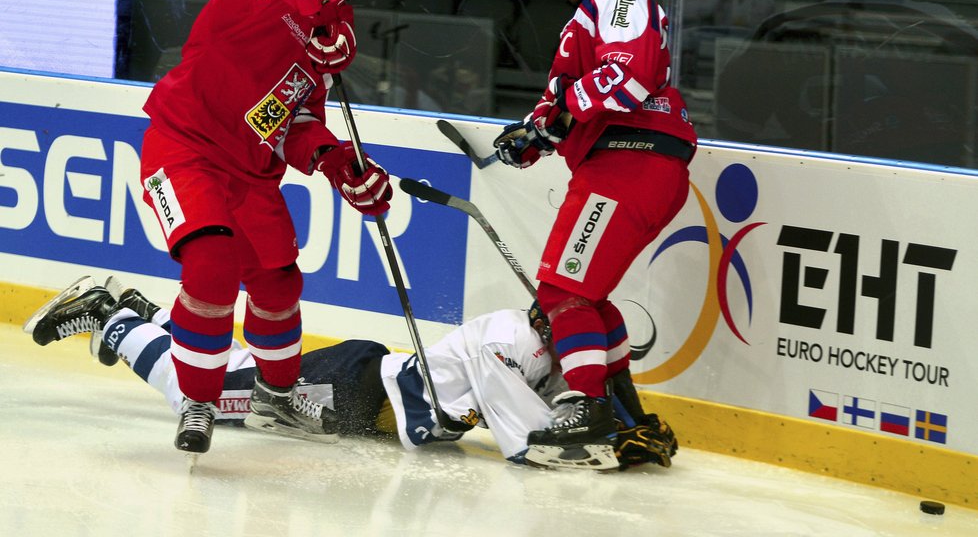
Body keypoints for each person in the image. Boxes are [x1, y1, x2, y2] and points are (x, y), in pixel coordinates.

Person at [138, 0, 393, 454]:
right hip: (184, 146)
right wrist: (323, 18)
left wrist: (335, 160)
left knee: (279, 285)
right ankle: (199, 400)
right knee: (212, 263)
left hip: (251, 176)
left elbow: (296, 118)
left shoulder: (330, 33)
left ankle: (276, 394)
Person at [23, 276, 677, 471]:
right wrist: (617, 450)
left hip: (359, 386)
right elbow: (531, 446)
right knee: (202, 396)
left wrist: (634, 423)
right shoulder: (510, 344)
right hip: (349, 395)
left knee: (240, 374)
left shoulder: (545, 346)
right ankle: (110, 317)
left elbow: (603, 387)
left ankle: (152, 316)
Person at [492, 0, 698, 470]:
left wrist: (554, 119)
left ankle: (589, 409)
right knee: (589, 298)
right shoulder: (586, 16)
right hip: (631, 165)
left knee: (561, 293)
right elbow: (566, 100)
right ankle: (628, 417)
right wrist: (531, 136)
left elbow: (626, 76)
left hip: (631, 161)